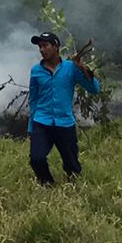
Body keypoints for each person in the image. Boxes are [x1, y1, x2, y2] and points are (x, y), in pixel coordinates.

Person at [27, 31, 99, 185]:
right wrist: (31, 126)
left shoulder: (71, 68)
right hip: (42, 121)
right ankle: (48, 185)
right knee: (36, 159)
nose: (41, 49)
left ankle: (74, 188)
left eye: (45, 45)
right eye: (40, 46)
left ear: (56, 47)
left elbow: (94, 88)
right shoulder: (36, 71)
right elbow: (33, 99)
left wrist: (82, 68)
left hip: (64, 123)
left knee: (72, 164)